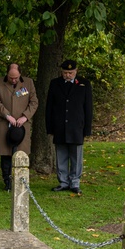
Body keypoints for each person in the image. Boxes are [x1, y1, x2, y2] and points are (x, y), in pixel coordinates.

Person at [46, 59, 93, 194]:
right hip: (59, 125)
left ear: (76, 71)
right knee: (61, 155)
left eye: (70, 73)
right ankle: (63, 182)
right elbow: (49, 106)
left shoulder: (84, 84)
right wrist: (50, 127)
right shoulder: (55, 84)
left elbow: (88, 108)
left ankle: (75, 182)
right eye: (65, 72)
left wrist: (87, 129)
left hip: (76, 126)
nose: (68, 75)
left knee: (76, 156)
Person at [0, 63, 38, 190]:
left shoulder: (28, 83)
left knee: (21, 153)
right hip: (4, 123)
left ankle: (21, 181)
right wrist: (7, 116)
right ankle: (7, 181)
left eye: (16, 78)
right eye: (11, 78)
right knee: (5, 154)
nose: (13, 80)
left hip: (22, 125)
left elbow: (34, 102)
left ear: (20, 74)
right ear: (7, 74)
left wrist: (25, 116)